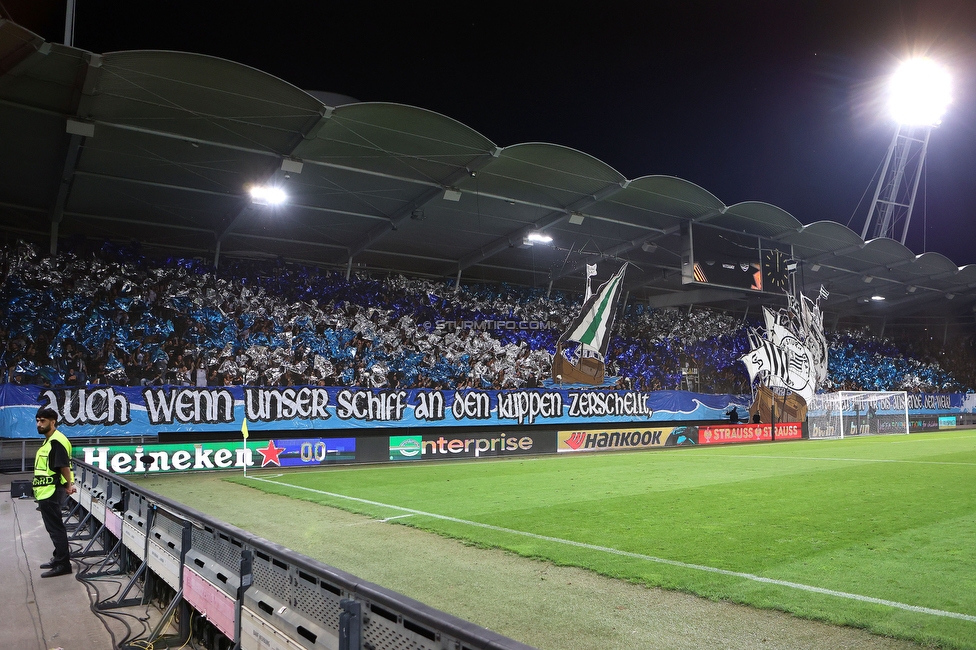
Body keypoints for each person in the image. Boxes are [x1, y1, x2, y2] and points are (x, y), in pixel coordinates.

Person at [32, 407, 76, 578]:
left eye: (42, 421)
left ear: (53, 421)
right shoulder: (49, 440)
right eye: (37, 420)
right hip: (45, 490)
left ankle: (63, 564)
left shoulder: (56, 441)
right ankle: (58, 558)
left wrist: (69, 485)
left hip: (51, 491)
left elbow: (63, 466)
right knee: (54, 528)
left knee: (56, 528)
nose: (39, 424)